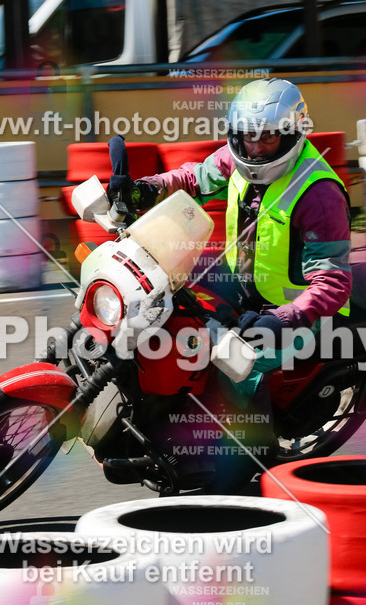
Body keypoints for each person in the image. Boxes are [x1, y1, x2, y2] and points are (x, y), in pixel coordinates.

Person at [121, 78, 353, 401]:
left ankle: (257, 446)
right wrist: (145, 189)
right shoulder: (238, 160)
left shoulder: (319, 195)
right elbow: (192, 180)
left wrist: (283, 319)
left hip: (301, 315)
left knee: (236, 365)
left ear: (290, 135)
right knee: (158, 279)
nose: (255, 148)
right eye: (248, 136)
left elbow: (333, 282)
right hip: (244, 285)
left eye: (268, 137)